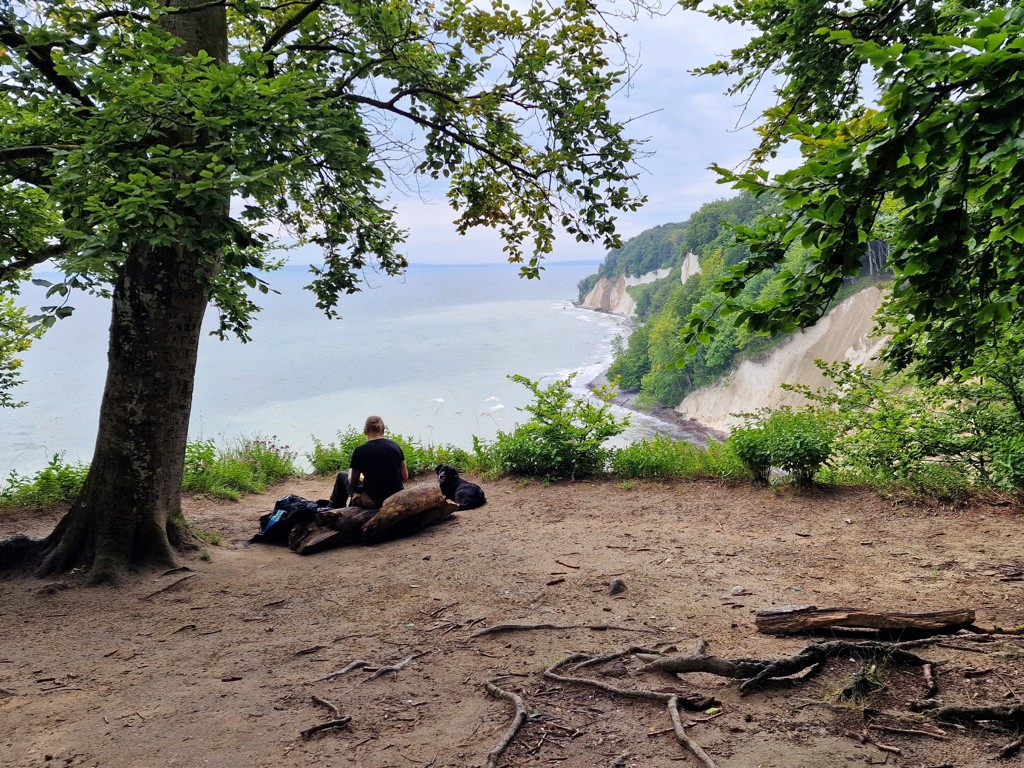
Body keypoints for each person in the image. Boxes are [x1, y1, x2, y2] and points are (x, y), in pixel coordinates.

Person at [329, 415, 408, 508]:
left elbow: (353, 483)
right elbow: (405, 477)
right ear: (383, 430)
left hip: (375, 500)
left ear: (365, 431)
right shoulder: (395, 446)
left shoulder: (360, 450)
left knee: (342, 476)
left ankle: (335, 509)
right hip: (396, 496)